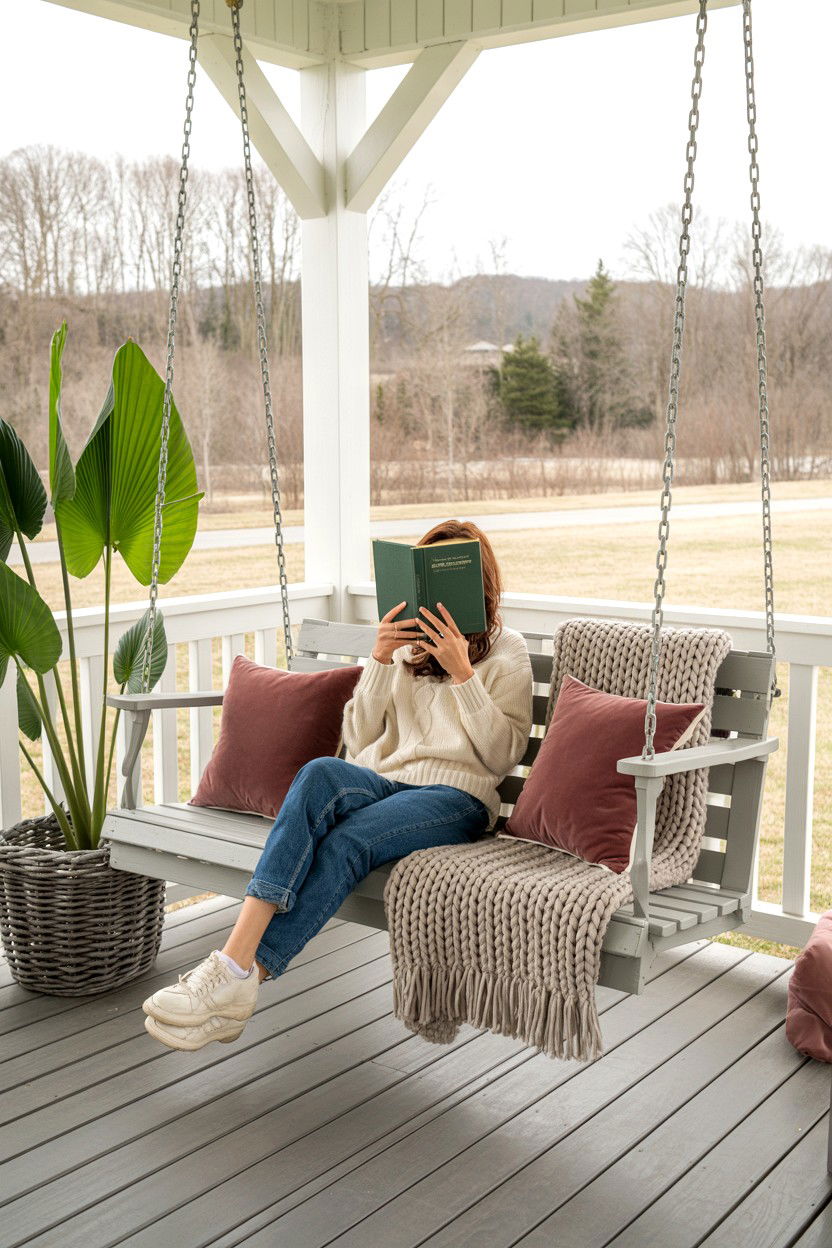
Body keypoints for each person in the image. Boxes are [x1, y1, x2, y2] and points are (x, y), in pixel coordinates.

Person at [142, 520, 534, 1051]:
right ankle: (235, 964)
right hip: (384, 780)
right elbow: (358, 734)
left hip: (456, 799)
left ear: (479, 582)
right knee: (318, 773)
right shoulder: (406, 650)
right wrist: (377, 660)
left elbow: (500, 755)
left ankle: (237, 976)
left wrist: (464, 674)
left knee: (349, 840)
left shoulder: (506, 653)